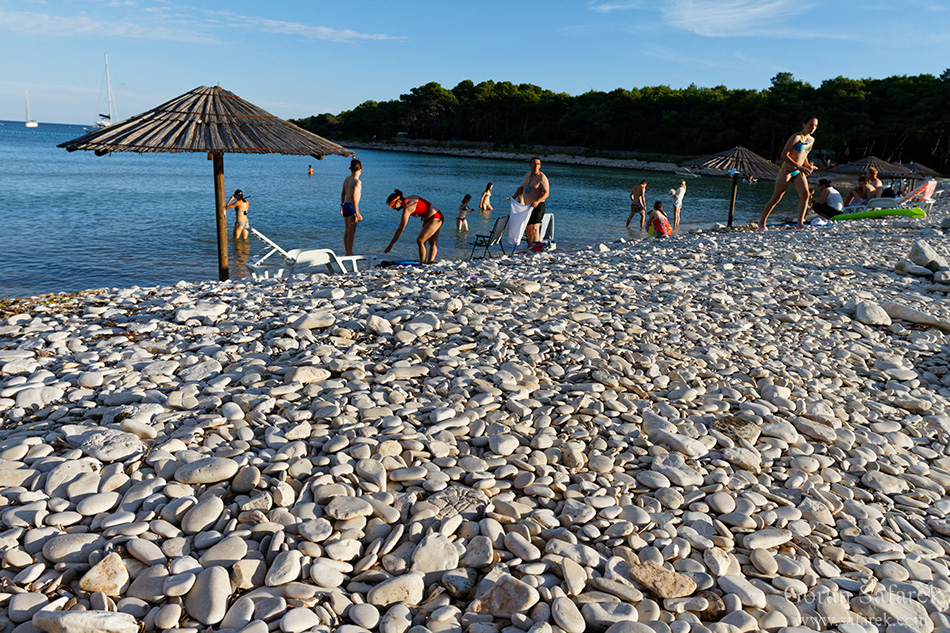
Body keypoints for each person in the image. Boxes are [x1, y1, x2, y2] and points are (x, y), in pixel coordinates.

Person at [757, 115, 818, 231]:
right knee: (776, 198)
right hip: (787, 171)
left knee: (805, 195)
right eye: (811, 125)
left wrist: (807, 165)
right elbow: (784, 155)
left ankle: (800, 224)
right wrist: (799, 166)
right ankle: (761, 223)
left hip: (798, 172)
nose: (813, 128)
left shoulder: (812, 140)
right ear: (804, 124)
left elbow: (804, 154)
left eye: (815, 126)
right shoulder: (796, 137)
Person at [384, 189, 443, 264]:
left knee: (420, 240)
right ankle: (429, 263)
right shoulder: (410, 198)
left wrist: (390, 245)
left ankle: (422, 264)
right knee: (432, 242)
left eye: (393, 205)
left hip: (435, 218)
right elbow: (422, 206)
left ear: (399, 201)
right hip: (436, 216)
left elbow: (400, 229)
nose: (393, 208)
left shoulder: (407, 209)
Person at [514, 158, 549, 245]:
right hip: (527, 206)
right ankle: (530, 246)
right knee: (528, 227)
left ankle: (536, 245)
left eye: (538, 164)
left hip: (538, 206)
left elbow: (546, 193)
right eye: (534, 164)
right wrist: (513, 197)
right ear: (530, 164)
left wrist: (537, 201)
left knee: (535, 228)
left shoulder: (542, 177)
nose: (536, 166)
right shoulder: (527, 175)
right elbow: (522, 188)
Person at [340, 158, 363, 256]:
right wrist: (357, 213)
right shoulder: (357, 182)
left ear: (350, 169)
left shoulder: (347, 179)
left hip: (346, 205)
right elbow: (354, 197)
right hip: (352, 206)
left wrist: (342, 206)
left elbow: (343, 193)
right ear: (361, 169)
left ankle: (347, 251)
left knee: (347, 231)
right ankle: (350, 252)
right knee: (352, 231)